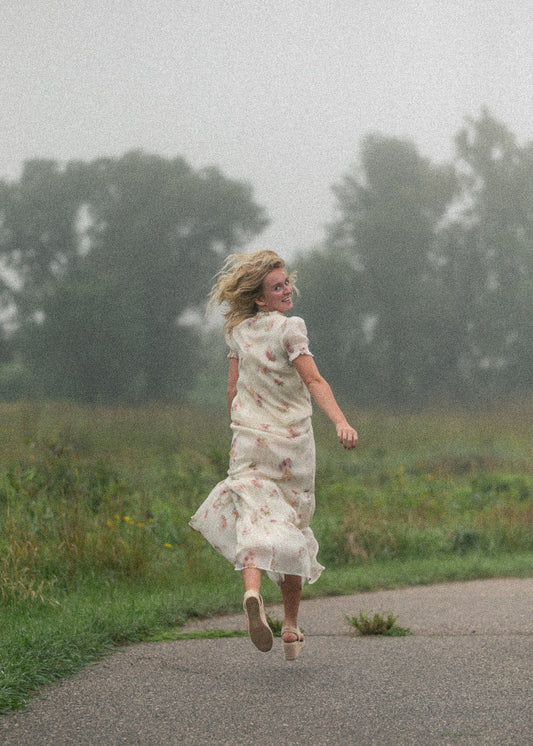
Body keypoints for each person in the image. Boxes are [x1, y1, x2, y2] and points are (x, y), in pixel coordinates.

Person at [189, 250, 358, 660]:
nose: (286, 290)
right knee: (291, 528)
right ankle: (292, 627)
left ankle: (252, 593)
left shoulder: (238, 333)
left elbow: (232, 390)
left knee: (254, 519)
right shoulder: (290, 329)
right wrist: (340, 421)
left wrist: (241, 428)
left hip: (249, 442)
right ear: (260, 298)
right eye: (277, 287)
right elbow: (313, 379)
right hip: (291, 448)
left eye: (286, 283)